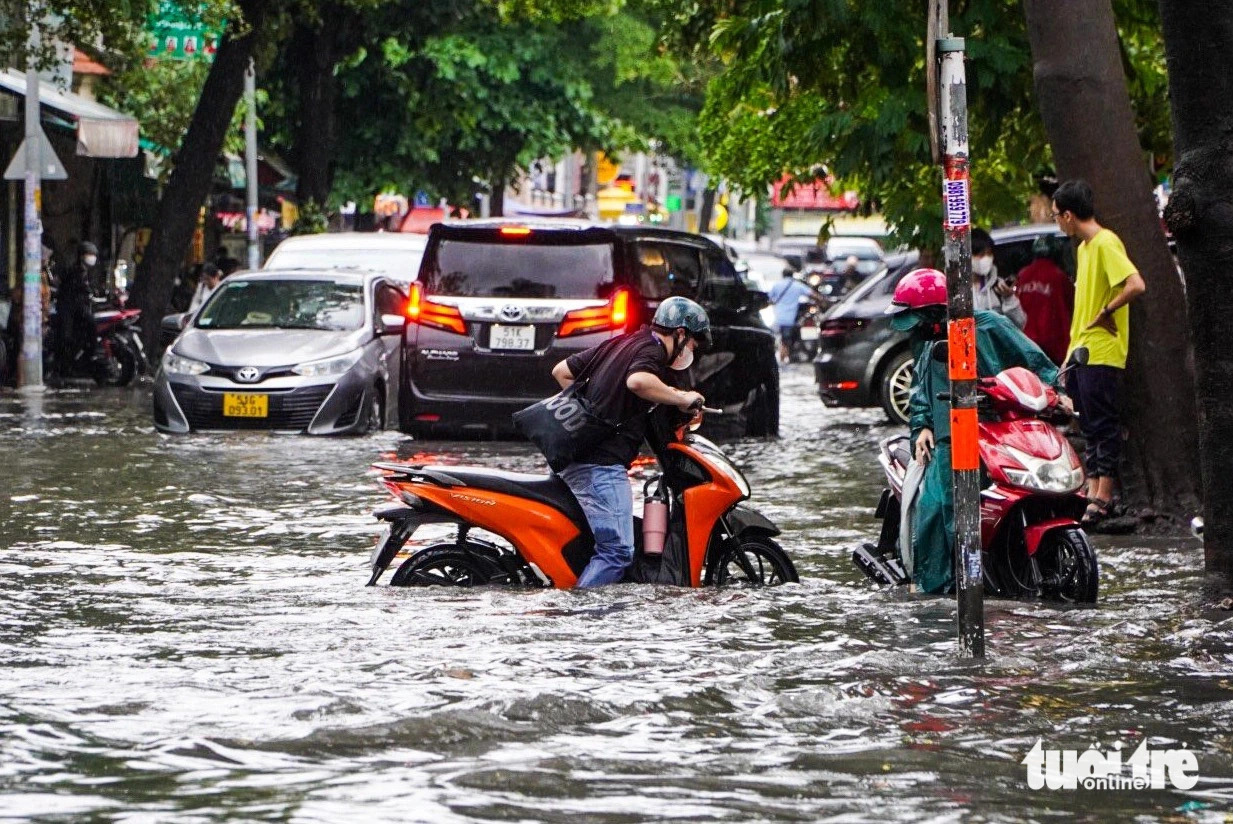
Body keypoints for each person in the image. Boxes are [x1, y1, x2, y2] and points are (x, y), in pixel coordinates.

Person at [887, 268, 1068, 594]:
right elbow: (919, 391)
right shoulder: (926, 341)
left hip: (1003, 428)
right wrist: (922, 427)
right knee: (937, 510)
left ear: (934, 312)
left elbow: (1037, 364)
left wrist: (1059, 394)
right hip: (947, 436)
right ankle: (934, 588)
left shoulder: (990, 326)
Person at [549, 296, 708, 587]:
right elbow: (637, 382)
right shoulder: (653, 352)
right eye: (695, 344)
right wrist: (682, 397)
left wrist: (589, 414)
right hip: (600, 466)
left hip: (571, 458)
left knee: (593, 547)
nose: (692, 351)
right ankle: (578, 619)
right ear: (681, 334)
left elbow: (562, 372)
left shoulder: (622, 343)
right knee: (617, 552)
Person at [1052, 179, 1147, 525]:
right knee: (1089, 425)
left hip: (1103, 351)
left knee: (1103, 425)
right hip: (1081, 350)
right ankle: (1093, 490)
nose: (1057, 223)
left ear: (1068, 215)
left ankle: (1104, 495)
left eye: (1056, 216)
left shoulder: (1106, 243)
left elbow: (1136, 284)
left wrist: (1107, 312)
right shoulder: (1084, 249)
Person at [1015, 235, 1075, 365]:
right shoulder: (1059, 276)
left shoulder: (1023, 275)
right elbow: (1072, 306)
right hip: (1054, 345)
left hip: (1026, 343)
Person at [52, 241, 101, 372]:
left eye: (93, 254)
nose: (92, 257)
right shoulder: (74, 271)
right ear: (81, 256)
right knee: (71, 334)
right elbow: (74, 290)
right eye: (89, 254)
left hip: (78, 308)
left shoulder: (86, 273)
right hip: (69, 309)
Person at [970, 229, 1026, 329]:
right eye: (981, 255)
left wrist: (1008, 298)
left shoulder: (998, 286)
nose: (986, 258)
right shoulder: (957, 291)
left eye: (989, 254)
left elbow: (1020, 324)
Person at [768, 268, 820, 363]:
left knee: (784, 340)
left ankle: (783, 359)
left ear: (783, 275)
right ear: (792, 275)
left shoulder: (776, 285)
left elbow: (769, 299)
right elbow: (813, 295)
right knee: (786, 341)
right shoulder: (797, 285)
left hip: (780, 318)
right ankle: (784, 358)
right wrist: (823, 301)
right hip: (790, 319)